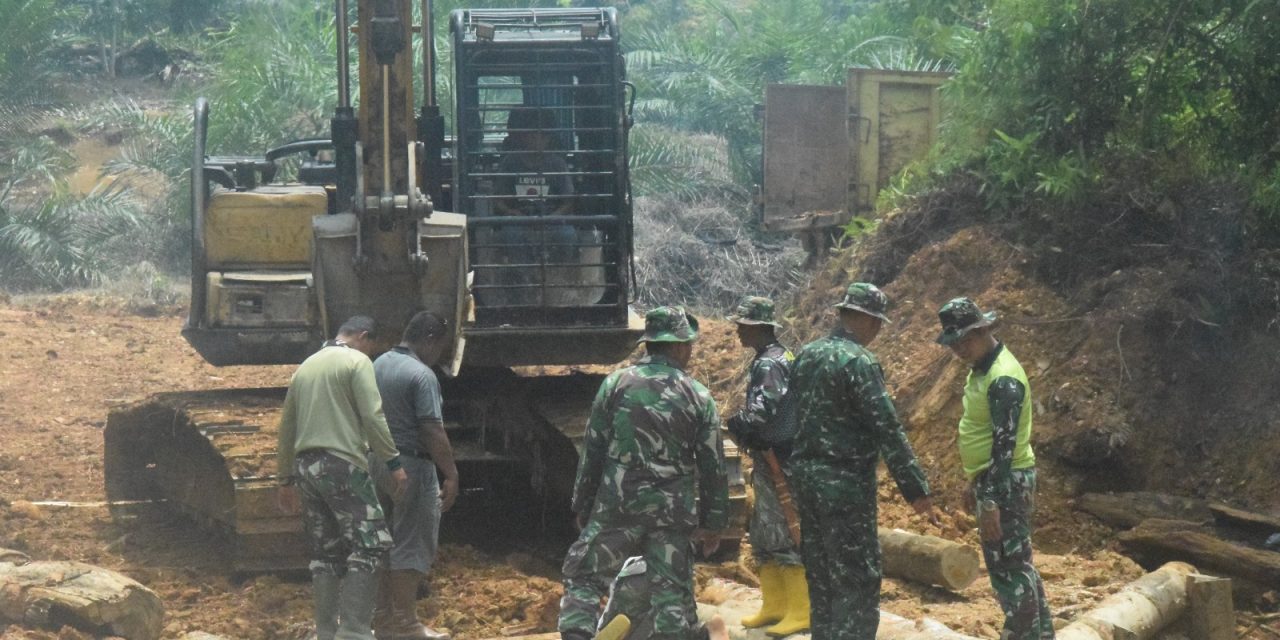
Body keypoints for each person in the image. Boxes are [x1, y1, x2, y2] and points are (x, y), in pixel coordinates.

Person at [558, 306, 730, 640]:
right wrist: (714, 524)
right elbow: (713, 467)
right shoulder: (699, 396)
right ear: (679, 346)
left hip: (618, 504)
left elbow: (593, 449)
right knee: (671, 594)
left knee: (585, 577)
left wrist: (583, 503)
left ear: (649, 343)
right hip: (672, 512)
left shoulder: (615, 385)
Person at [786, 283, 937, 640]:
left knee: (821, 575)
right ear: (864, 319)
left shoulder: (807, 354)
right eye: (877, 323)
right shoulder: (859, 362)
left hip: (807, 482)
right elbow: (888, 428)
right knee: (856, 578)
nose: (878, 332)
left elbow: (790, 419)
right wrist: (915, 489)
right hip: (845, 486)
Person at [276, 316, 408, 640]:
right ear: (363, 337)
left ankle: (326, 631)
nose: (371, 355)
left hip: (306, 468)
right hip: (342, 464)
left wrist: (284, 479)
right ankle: (354, 632)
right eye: (372, 348)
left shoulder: (305, 367)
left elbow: (286, 427)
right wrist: (393, 462)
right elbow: (373, 415)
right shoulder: (357, 361)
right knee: (370, 543)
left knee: (325, 552)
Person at [935, 297, 1054, 640]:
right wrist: (976, 482)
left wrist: (990, 504)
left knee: (1008, 571)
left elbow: (1003, 450)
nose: (959, 348)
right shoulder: (983, 368)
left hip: (1005, 481)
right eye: (953, 343)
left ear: (984, 329)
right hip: (997, 478)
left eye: (965, 340)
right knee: (1018, 567)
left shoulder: (1002, 380)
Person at [368, 311, 459, 640]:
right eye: (440, 347)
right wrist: (450, 473)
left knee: (381, 541)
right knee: (412, 542)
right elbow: (431, 429)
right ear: (430, 340)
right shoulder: (422, 375)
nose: (439, 355)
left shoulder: (378, 365)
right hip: (411, 465)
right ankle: (406, 622)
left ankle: (381, 619)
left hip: (376, 462)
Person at [723, 296, 809, 637]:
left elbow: (764, 408)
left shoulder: (769, 363)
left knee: (784, 532)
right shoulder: (778, 356)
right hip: (774, 454)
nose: (738, 331)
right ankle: (775, 605)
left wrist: (738, 423)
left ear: (759, 326)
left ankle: (800, 610)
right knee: (762, 532)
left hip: (779, 458)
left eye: (743, 325)